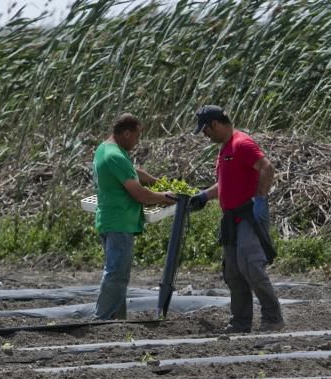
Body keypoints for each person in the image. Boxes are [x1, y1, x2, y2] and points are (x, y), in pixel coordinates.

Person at [190, 105, 284, 333]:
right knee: (233, 272)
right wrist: (204, 195)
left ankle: (273, 318)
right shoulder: (224, 150)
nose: (205, 135)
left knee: (251, 267)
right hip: (231, 219)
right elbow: (225, 184)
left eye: (206, 130)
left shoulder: (242, 144)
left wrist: (260, 199)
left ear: (215, 124)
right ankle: (240, 322)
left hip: (248, 216)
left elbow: (267, 168)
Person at [92, 113, 174, 320]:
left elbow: (132, 171)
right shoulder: (115, 156)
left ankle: (116, 318)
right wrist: (165, 197)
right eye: (136, 137)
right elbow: (140, 194)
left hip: (112, 219)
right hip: (120, 221)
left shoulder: (106, 149)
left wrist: (156, 182)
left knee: (119, 274)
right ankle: (103, 318)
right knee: (116, 273)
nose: (137, 142)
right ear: (126, 133)